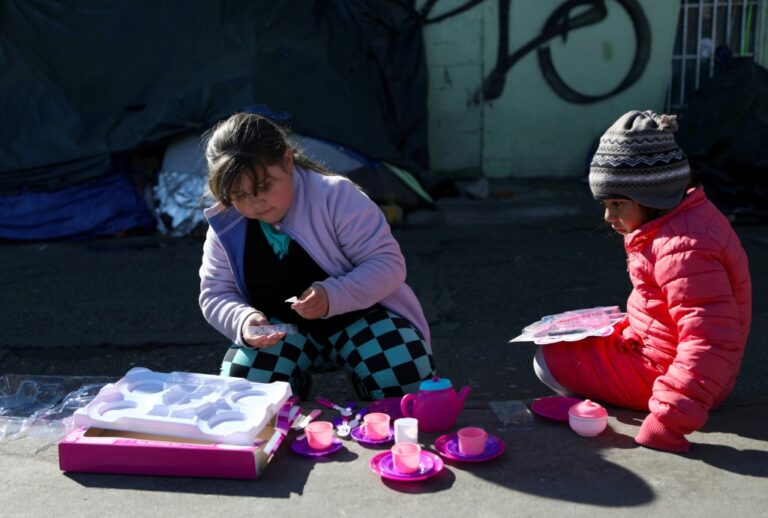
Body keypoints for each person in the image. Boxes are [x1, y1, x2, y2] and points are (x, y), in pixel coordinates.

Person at [533, 110, 752, 452]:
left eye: (617, 204)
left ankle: (654, 401)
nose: (608, 217)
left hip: (677, 377)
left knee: (547, 363)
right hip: (667, 358)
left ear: (653, 198)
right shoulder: (684, 223)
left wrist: (666, 421)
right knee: (559, 341)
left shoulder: (685, 249)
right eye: (605, 204)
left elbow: (708, 342)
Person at [198, 112, 435, 400]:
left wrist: (332, 295)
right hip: (283, 329)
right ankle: (290, 389)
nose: (255, 202)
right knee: (243, 390)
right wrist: (244, 320)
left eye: (264, 187)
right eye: (239, 195)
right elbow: (215, 293)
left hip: (360, 317)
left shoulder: (336, 196)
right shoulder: (227, 224)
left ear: (288, 161)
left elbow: (388, 264)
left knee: (404, 377)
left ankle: (371, 384)